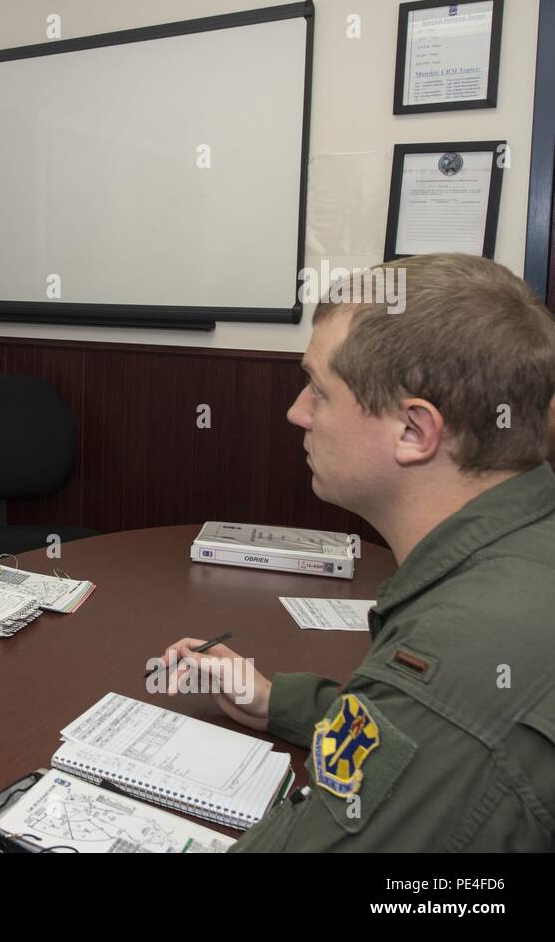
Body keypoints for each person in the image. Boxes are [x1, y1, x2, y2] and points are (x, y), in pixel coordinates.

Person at [159, 253, 555, 850]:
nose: (296, 412)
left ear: (414, 432)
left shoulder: (465, 652)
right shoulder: (523, 544)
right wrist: (281, 702)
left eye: (319, 391)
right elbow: (420, 743)